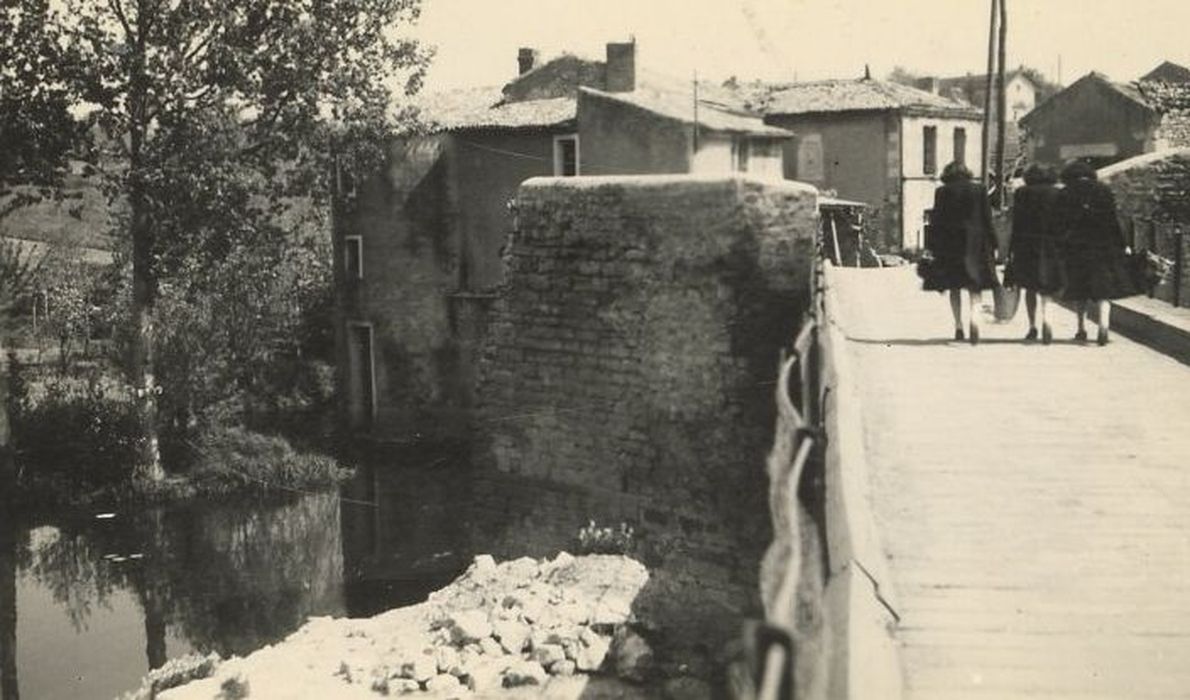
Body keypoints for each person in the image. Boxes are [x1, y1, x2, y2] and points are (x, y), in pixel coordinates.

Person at [1054, 160, 1135, 345]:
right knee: (1103, 289)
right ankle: (1103, 327)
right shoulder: (1103, 190)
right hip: (1103, 247)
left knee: (1079, 288)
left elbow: (1058, 224)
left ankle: (1081, 328)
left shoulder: (1065, 193)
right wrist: (1123, 244)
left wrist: (1059, 245)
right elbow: (1113, 220)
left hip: (1076, 248)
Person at [922, 161, 998, 344]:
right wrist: (994, 243)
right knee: (975, 286)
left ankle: (958, 326)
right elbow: (987, 219)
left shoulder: (942, 192)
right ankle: (974, 318)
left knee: (954, 286)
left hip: (951, 245)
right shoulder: (979, 190)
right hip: (976, 244)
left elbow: (936, 222)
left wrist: (931, 247)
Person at [1005, 164, 1063, 343]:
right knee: (1048, 287)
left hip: (1026, 245)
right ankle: (1047, 319)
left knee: (1029, 287)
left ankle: (1032, 326)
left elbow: (1017, 224)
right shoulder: (1057, 193)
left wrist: (1011, 249)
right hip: (1051, 245)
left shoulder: (1022, 193)